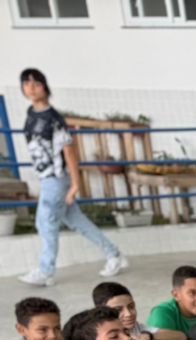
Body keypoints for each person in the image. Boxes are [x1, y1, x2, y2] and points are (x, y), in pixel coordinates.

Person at [14, 67, 126, 288]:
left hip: (56, 180)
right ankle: (114, 255)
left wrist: (75, 184)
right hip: (47, 179)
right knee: (78, 222)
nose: (31, 88)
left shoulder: (54, 119)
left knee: (45, 222)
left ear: (45, 87)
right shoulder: (31, 113)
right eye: (26, 84)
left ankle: (45, 271)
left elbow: (69, 151)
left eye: (36, 83)